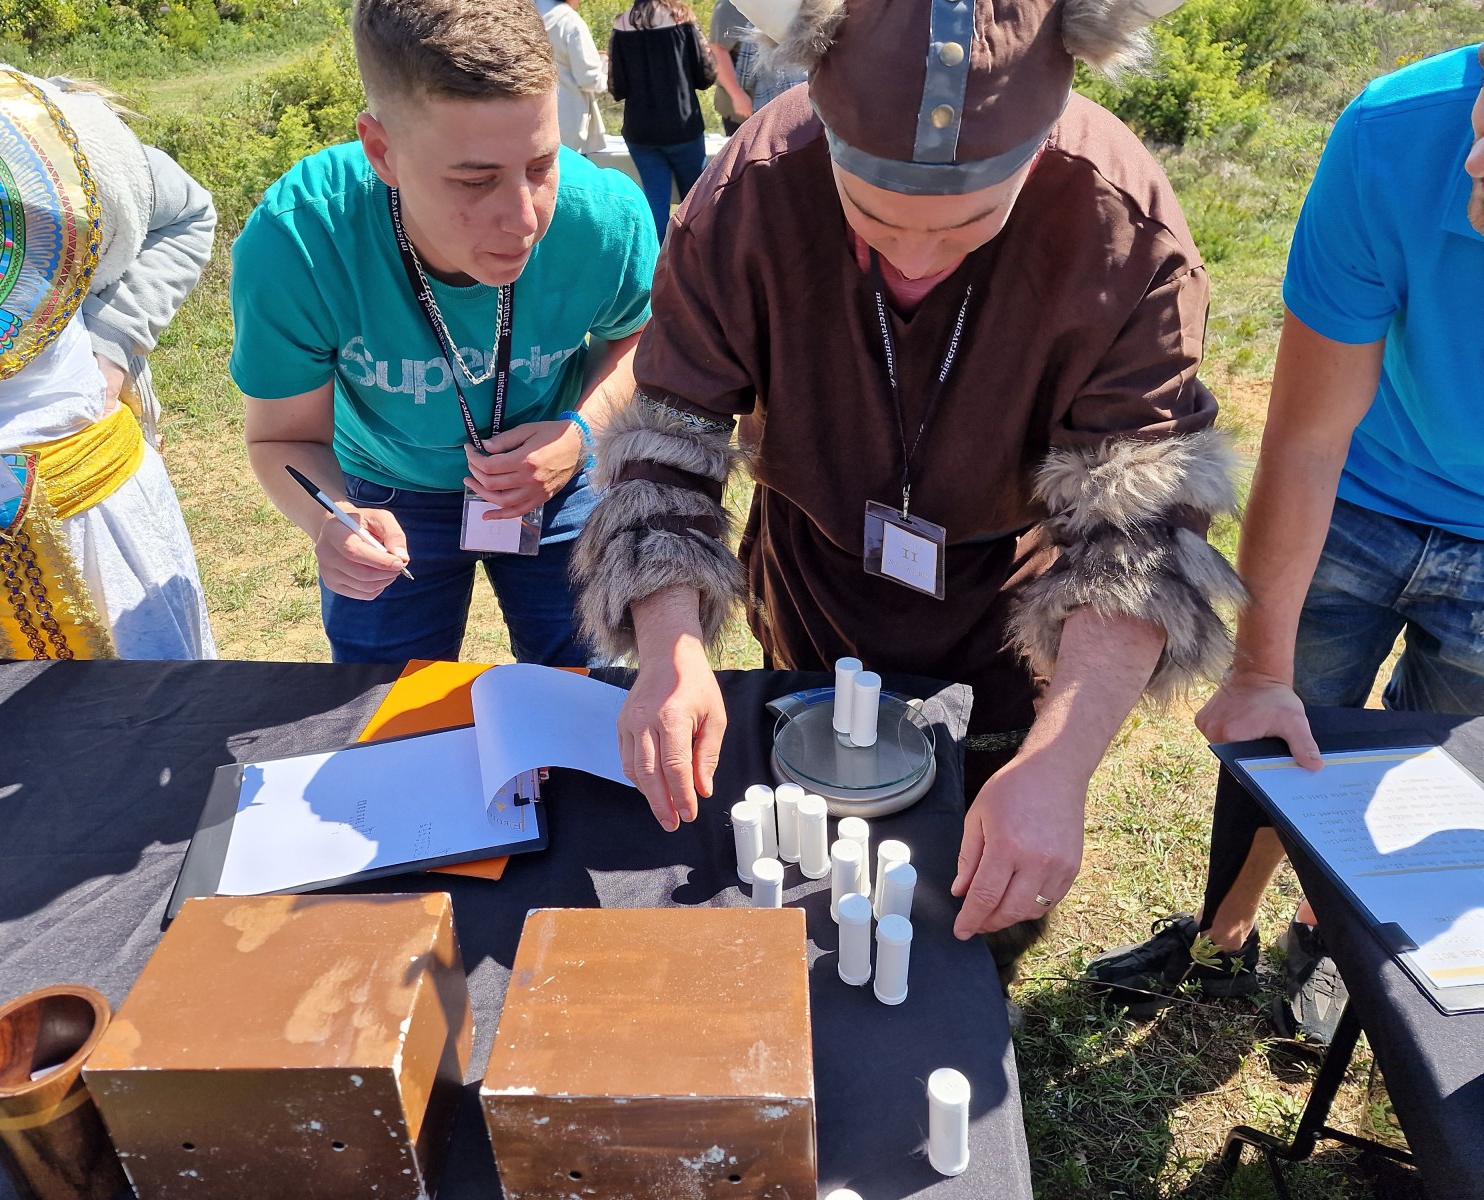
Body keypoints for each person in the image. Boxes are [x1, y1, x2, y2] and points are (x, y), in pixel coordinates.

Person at [572, 0, 1245, 983]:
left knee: (970, 884)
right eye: (876, 217)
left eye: (970, 223)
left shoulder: (1121, 223)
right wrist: (672, 649)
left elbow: (1136, 535)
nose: (917, 259)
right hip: (810, 571)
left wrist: (1055, 767)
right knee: (808, 846)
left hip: (1007, 599)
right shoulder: (752, 188)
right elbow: (665, 440)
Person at [1088, 44, 1484, 1040]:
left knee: (1421, 769)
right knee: (1283, 729)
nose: (1474, 166)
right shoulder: (1393, 137)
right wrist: (1260, 669)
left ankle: (1325, 936)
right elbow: (1305, 440)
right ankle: (1223, 935)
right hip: (1359, 483)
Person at [231, 0, 655, 667]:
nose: (523, 219)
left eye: (542, 166)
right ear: (381, 151)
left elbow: (638, 342)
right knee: (383, 705)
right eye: (474, 179)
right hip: (383, 490)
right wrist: (331, 520)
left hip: (556, 478)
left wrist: (578, 434)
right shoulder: (301, 241)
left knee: (579, 689)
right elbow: (284, 437)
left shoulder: (603, 217)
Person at [0, 40, 217, 660]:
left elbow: (184, 214)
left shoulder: (31, 131)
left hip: (111, 530)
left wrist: (114, 345)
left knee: (172, 728)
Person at [608, 0, 716, 244]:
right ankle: (699, 261)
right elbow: (705, 74)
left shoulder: (622, 24)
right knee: (697, 202)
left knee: (655, 203)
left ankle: (656, 267)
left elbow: (617, 87)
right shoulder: (682, 19)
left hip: (641, 131)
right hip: (683, 125)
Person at [708, 0, 807, 137]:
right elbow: (717, 51)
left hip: (788, 104)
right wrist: (737, 95)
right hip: (744, 108)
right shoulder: (730, 5)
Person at [544, 0, 607, 155]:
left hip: (533, 114)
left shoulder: (525, 17)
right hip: (569, 117)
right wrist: (604, 73)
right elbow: (588, 78)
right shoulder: (570, 22)